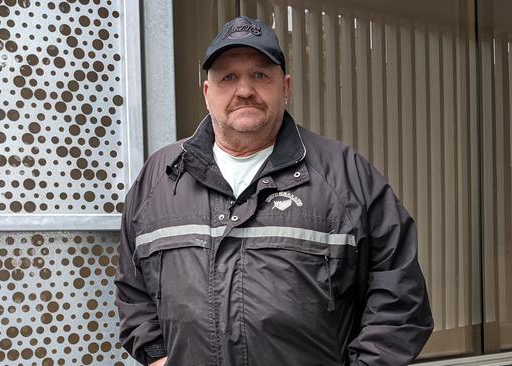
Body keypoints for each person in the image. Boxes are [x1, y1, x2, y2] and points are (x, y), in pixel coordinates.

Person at [116, 16, 433, 366]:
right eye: (228, 77)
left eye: (260, 74)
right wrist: (158, 356)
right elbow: (133, 289)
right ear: (207, 93)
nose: (245, 90)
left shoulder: (346, 176)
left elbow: (401, 298)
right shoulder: (159, 178)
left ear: (285, 87)